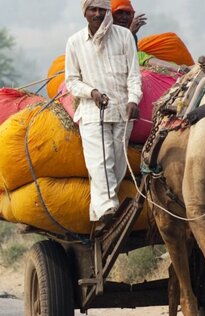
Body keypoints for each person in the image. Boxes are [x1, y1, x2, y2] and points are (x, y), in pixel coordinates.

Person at [65, 0, 142, 229]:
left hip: (122, 112)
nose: (98, 14)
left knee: (118, 164)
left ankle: (98, 215)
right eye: (93, 9)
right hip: (92, 112)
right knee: (100, 162)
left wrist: (133, 100)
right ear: (85, 13)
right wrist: (92, 92)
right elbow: (71, 81)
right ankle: (109, 211)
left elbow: (133, 76)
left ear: (108, 11)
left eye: (102, 9)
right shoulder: (75, 42)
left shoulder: (124, 37)